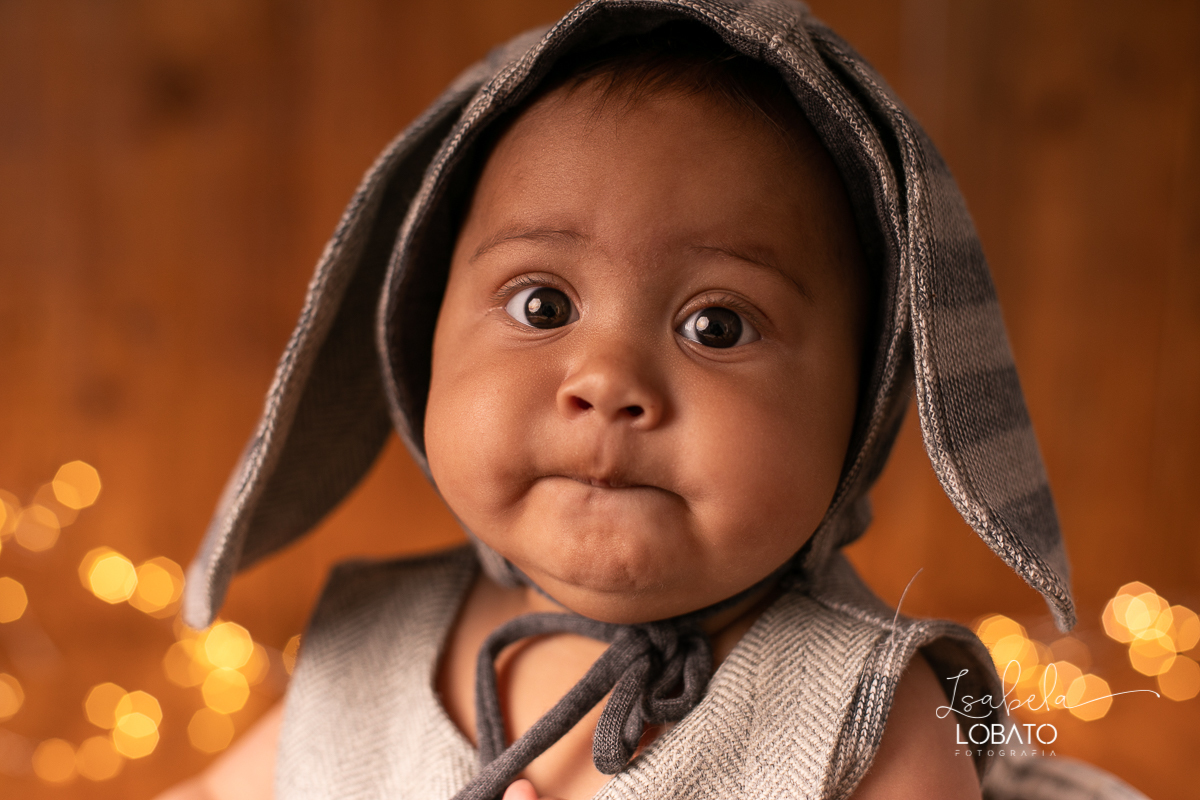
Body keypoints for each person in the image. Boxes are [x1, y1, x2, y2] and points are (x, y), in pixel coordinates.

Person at [158, 2, 1144, 798]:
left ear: (871, 393)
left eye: (717, 325)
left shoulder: (868, 719)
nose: (609, 381)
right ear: (421, 336)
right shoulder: (370, 647)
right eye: (542, 304)